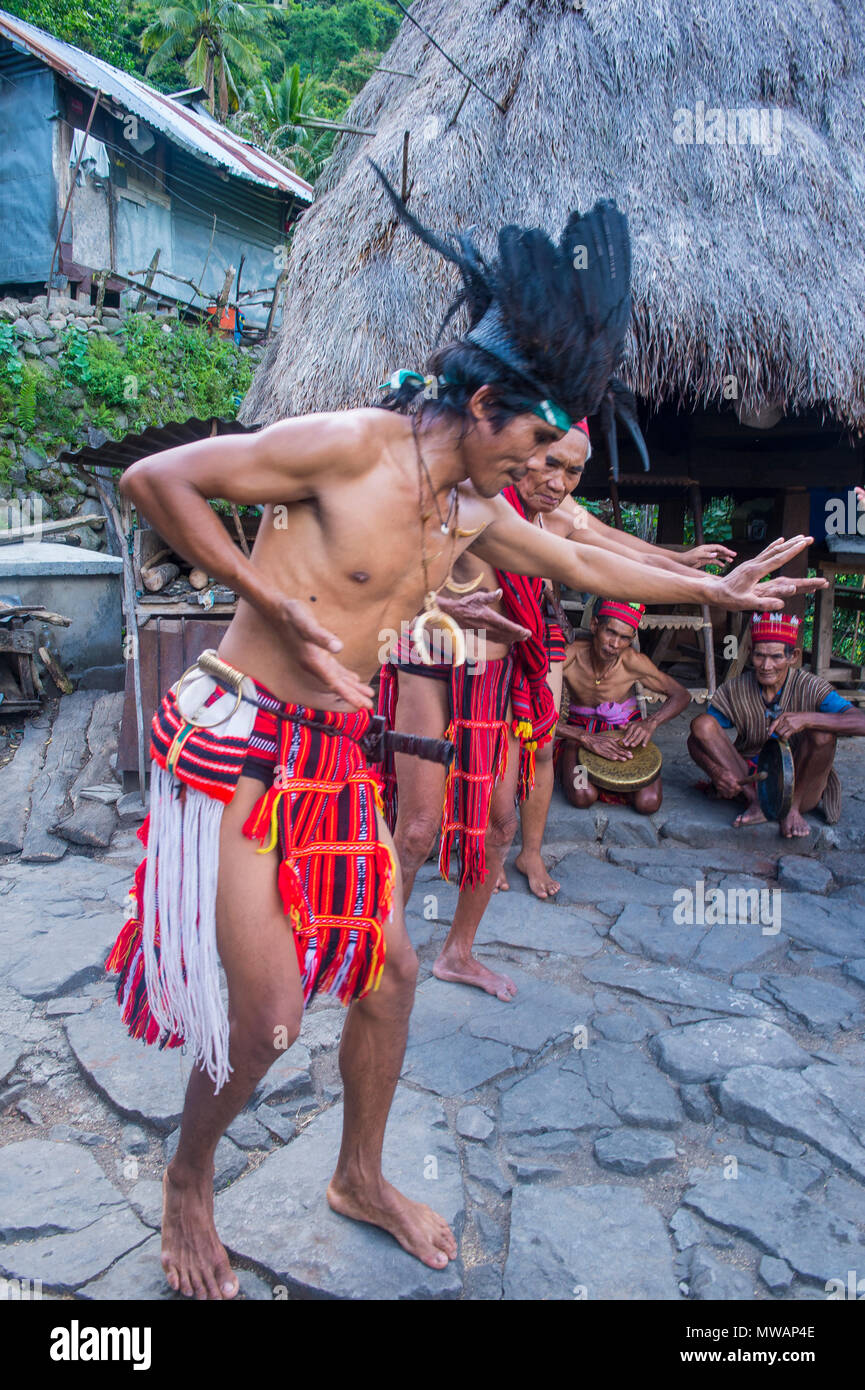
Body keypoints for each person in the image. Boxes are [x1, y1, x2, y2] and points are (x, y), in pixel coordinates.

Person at [106, 174, 821, 1300]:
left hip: (333, 757)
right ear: (483, 404)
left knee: (389, 974)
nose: (538, 471)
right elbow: (159, 480)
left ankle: (357, 1177)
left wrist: (718, 594)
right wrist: (268, 595)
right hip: (240, 743)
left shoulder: (472, 509)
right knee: (271, 1019)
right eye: (532, 443)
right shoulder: (347, 447)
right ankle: (189, 1178)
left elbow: (586, 562)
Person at [493, 425, 735, 896]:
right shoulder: (491, 499)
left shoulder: (560, 510)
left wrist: (679, 560)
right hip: (483, 640)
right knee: (492, 747)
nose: (559, 480)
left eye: (573, 470)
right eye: (550, 463)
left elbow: (616, 546)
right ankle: (485, 849)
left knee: (540, 747)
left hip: (539, 635)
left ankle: (531, 853)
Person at [688, 611, 865, 836]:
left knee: (822, 735)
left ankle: (792, 809)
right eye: (759, 656)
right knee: (702, 724)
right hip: (750, 779)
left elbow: (861, 722)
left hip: (801, 781)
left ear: (793, 656)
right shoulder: (735, 689)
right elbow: (696, 742)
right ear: (750, 653)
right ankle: (757, 803)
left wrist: (807, 719)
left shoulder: (812, 687)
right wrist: (715, 771)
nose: (766, 665)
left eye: (776, 657)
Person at [555, 599, 690, 813]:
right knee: (582, 794)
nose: (615, 644)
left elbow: (681, 695)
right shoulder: (569, 656)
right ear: (594, 625)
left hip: (624, 732)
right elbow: (531, 712)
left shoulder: (633, 662)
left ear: (632, 639)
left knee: (649, 802)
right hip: (579, 733)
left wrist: (650, 723)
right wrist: (582, 737)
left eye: (624, 638)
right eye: (610, 632)